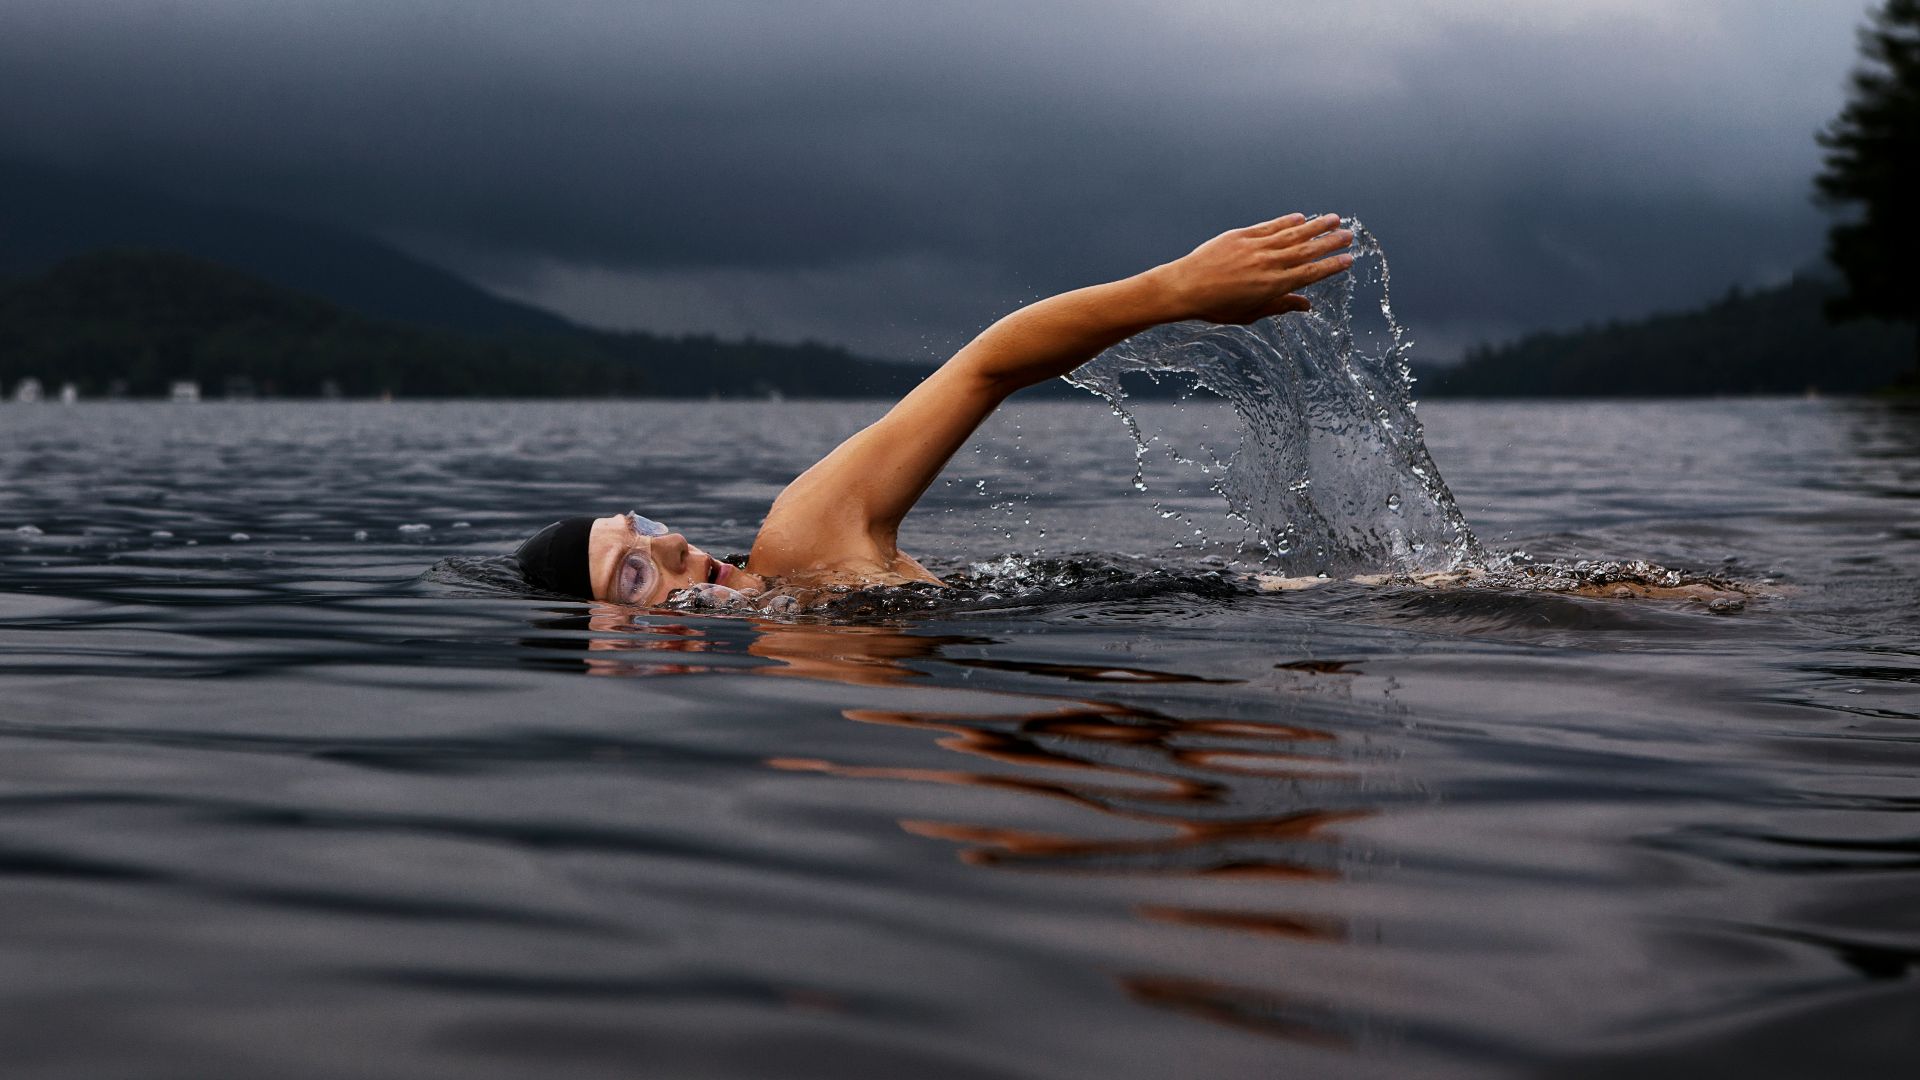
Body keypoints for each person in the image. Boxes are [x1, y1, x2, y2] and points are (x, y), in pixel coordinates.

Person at [513, 213, 1355, 606]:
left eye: (645, 526)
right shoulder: (793, 691)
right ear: (609, 650)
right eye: (633, 572)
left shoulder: (802, 544)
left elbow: (984, 367)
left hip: (1308, 605)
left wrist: (1172, 291)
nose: (672, 544)